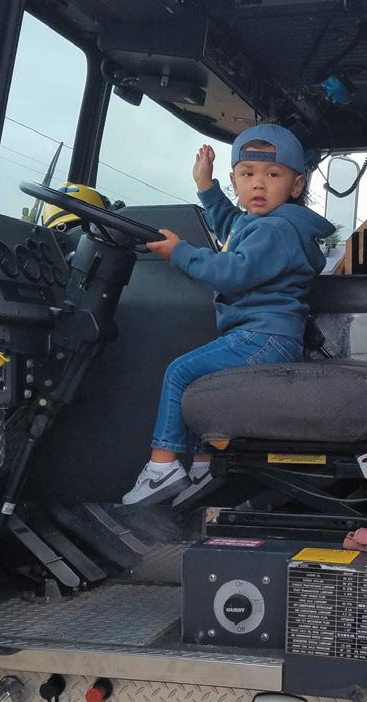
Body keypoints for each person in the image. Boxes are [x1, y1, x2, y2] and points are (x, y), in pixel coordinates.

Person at [122, 124, 335, 508]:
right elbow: (231, 225)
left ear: (297, 185)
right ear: (235, 181)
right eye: (247, 174)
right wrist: (206, 186)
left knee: (180, 372)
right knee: (204, 379)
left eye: (273, 175)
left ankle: (162, 468)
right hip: (263, 336)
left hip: (264, 337)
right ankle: (205, 465)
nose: (258, 184)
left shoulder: (278, 229)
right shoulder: (261, 224)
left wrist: (180, 253)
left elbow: (232, 271)